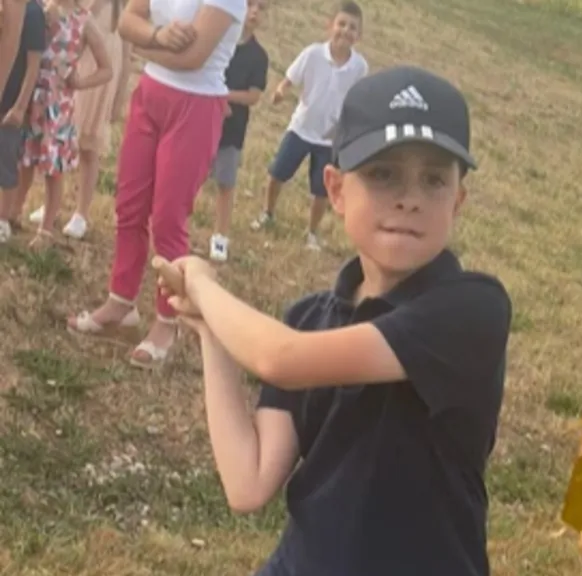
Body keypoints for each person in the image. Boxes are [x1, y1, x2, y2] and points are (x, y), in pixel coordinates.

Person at [156, 65, 512, 576]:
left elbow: (281, 360)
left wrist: (204, 283)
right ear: (336, 188)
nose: (410, 198)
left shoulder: (472, 310)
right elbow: (247, 484)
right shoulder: (309, 318)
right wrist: (208, 331)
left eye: (434, 180)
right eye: (384, 174)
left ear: (458, 200)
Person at [64, 0, 247, 369]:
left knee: (167, 219)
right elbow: (128, 22)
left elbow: (193, 58)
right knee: (129, 205)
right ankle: (121, 301)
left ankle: (168, 320)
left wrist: (142, 47)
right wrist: (158, 36)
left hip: (196, 105)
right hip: (150, 93)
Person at [248, 0, 367, 250]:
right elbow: (290, 77)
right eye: (341, 24)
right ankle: (267, 213)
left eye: (352, 27)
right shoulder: (313, 54)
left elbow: (358, 100)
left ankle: (312, 233)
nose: (346, 31)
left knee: (321, 190)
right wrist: (281, 91)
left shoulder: (359, 67)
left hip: (330, 138)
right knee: (277, 173)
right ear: (329, 26)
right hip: (301, 128)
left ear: (359, 35)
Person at [26, 0, 132, 239]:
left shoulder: (114, 9)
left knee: (87, 144)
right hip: (71, 62)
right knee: (58, 141)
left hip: (95, 65)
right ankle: (50, 205)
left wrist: (119, 96)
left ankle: (81, 212)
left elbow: (125, 50)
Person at [207, 0, 267, 262]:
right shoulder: (217, 39)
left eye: (262, 7)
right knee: (190, 177)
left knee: (225, 183)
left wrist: (223, 97)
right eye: (250, 4)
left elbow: (253, 96)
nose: (254, 11)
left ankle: (220, 236)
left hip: (232, 129)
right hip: (204, 120)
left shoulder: (259, 56)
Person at [0, 0, 43, 243]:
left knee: (6, 160)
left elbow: (33, 65)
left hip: (10, 101)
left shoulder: (34, 13)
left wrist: (20, 106)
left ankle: (4, 219)